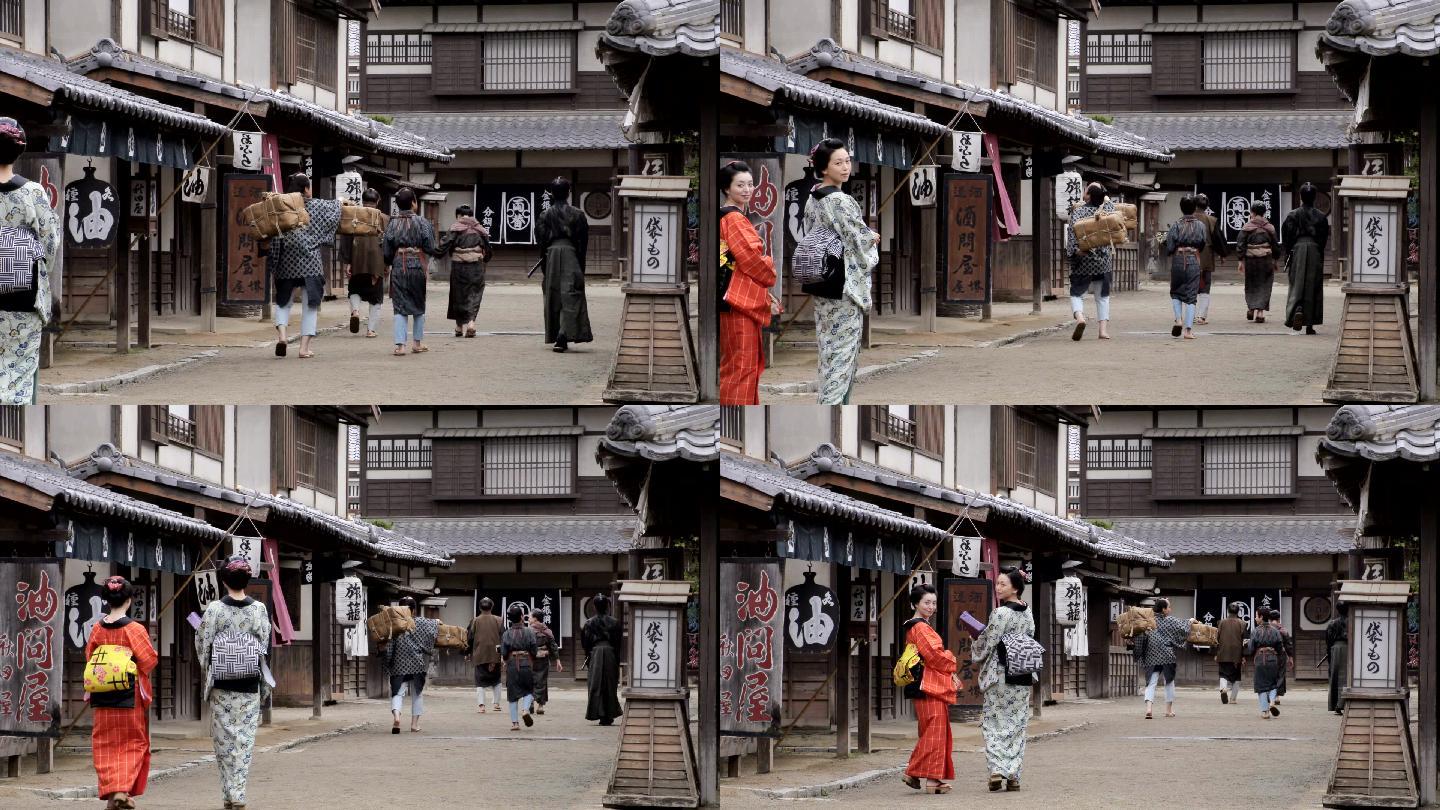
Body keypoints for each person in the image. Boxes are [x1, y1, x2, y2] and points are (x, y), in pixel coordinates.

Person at [806, 138, 879, 405]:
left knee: (828, 350)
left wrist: (864, 236)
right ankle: (833, 404)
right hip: (844, 287)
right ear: (824, 168)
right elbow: (858, 241)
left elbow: (816, 235)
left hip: (822, 282)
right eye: (838, 163)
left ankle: (830, 401)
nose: (846, 167)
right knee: (843, 355)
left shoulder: (813, 198)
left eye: (847, 161)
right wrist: (872, 238)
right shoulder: (841, 201)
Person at [196, 556, 272, 810]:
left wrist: (211, 668)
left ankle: (232, 793)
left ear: (224, 580)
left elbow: (203, 645)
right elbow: (264, 644)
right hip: (249, 682)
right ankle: (235, 794)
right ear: (247, 581)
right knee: (244, 742)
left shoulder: (215, 609)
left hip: (222, 684)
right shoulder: (258, 609)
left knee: (223, 741)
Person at [0, 118, 60, 404]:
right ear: (19, 151)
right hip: (22, 290)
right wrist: (37, 267)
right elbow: (50, 242)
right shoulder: (33, 192)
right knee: (19, 372)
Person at [85, 576, 157, 810]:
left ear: (106, 600)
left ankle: (114, 794)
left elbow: (90, 659)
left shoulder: (97, 629)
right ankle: (120, 790)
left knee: (104, 743)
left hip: (102, 695)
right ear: (128, 600)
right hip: (128, 694)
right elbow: (148, 661)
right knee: (132, 742)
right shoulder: (134, 629)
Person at [718, 161, 781, 405]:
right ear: (726, 188)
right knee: (741, 365)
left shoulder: (731, 217)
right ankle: (735, 406)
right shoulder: (733, 218)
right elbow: (751, 258)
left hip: (734, 293)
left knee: (743, 362)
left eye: (750, 184)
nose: (747, 190)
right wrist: (769, 269)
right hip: (737, 298)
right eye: (739, 185)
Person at [974, 567, 1035, 792]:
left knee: (994, 722)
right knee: (1017, 724)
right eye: (997, 583)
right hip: (1022, 672)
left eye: (1003, 584)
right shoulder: (1027, 612)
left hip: (1000, 673)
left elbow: (989, 642)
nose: (998, 587)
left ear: (1015, 588)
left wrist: (976, 645)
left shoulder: (1000, 613)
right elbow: (1030, 635)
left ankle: (997, 770)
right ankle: (1013, 775)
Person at [268, 173, 341, 359]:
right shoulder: (316, 205)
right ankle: (303, 348)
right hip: (311, 263)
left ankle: (283, 336)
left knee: (284, 303)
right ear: (306, 189)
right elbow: (335, 211)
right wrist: (340, 201)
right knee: (310, 306)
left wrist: (273, 265)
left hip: (287, 262)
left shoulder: (281, 206)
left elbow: (274, 236)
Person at [900, 584, 961, 795]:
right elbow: (934, 656)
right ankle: (915, 771)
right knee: (934, 731)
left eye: (934, 603)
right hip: (927, 685)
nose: (931, 607)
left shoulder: (919, 626)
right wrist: (952, 660)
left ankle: (930, 778)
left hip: (927, 684)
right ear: (915, 603)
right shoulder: (920, 627)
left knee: (935, 731)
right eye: (926, 602)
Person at [536, 176, 593, 353]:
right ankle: (563, 334)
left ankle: (559, 334)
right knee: (571, 293)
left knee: (554, 294)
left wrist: (545, 261)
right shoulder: (578, 214)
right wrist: (581, 264)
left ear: (552, 193)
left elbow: (541, 241)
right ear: (569, 192)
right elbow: (583, 243)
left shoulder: (545, 215)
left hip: (552, 254)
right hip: (571, 254)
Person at [382, 188, 441, 357]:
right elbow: (430, 246)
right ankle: (417, 343)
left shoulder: (392, 223)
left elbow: (386, 250)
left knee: (399, 306)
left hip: (399, 265)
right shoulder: (423, 222)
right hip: (417, 265)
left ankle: (400, 346)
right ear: (414, 202)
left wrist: (387, 263)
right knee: (418, 303)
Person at [1066, 183, 1118, 341]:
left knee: (1077, 293)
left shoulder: (1078, 211)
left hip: (1084, 259)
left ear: (1087, 195)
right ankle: (1102, 331)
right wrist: (1104, 195)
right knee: (1102, 297)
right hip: (1103, 261)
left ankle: (1080, 317)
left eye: (1085, 190)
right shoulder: (1106, 211)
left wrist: (1075, 250)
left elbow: (1072, 233)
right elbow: (1109, 203)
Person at [338, 188, 389, 339]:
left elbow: (346, 237)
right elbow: (388, 242)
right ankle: (371, 330)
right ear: (378, 201)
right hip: (376, 261)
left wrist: (348, 261)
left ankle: (355, 311)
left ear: (363, 200)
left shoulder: (354, 214)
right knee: (376, 296)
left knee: (354, 289)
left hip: (357, 259)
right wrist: (387, 263)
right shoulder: (384, 218)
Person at [384, 596, 439, 733]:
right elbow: (434, 627)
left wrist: (388, 663)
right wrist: (437, 621)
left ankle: (397, 717)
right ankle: (414, 725)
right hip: (417, 664)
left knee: (397, 693)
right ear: (414, 610)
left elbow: (389, 648)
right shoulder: (421, 622)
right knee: (417, 694)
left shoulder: (394, 624)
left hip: (398, 665)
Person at [1282, 182, 1330, 335]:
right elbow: (1323, 239)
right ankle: (1310, 324)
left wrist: (1288, 253)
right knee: (1314, 286)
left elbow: (1287, 237)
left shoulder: (1293, 215)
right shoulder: (1321, 217)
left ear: (1301, 197)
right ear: (1314, 197)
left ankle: (1297, 309)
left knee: (1297, 283)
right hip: (1315, 249)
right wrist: (1319, 253)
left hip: (1297, 249)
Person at [438, 204, 492, 338]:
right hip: (476, 267)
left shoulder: (455, 228)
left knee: (458, 295)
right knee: (475, 294)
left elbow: (444, 245)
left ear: (458, 216)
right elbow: (489, 250)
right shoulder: (480, 230)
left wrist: (435, 253)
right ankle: (471, 323)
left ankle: (458, 327)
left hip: (459, 266)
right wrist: (483, 259)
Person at [1165, 196, 1209, 340]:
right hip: (1193, 260)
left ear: (1181, 208)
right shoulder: (1201, 226)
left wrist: (1171, 249)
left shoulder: (1176, 224)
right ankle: (1188, 331)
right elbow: (1202, 244)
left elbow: (1170, 246)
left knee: (1176, 291)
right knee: (1191, 295)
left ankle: (1178, 320)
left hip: (1178, 259)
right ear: (1194, 207)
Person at [1141, 597, 1190, 719]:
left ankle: (1149, 709)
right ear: (1163, 609)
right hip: (1167, 655)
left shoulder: (1148, 620)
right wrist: (1190, 621)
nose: (1170, 609)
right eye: (1169, 607)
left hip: (1151, 654)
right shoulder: (1170, 621)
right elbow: (1184, 629)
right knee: (1169, 681)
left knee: (1151, 682)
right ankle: (1168, 710)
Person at [581, 593, 623, 725]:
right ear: (607, 606)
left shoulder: (588, 623)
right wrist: (616, 657)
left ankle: (599, 713)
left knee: (595, 684)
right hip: (610, 653)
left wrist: (589, 654)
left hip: (595, 653)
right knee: (610, 684)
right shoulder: (615, 623)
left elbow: (585, 643)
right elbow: (618, 643)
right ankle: (609, 715)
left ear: (594, 606)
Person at [1238, 201, 1280, 323]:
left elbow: (1241, 244)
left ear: (1252, 213)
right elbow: (1275, 246)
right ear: (1264, 213)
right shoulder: (1270, 227)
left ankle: (1251, 308)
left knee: (1251, 284)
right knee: (1265, 285)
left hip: (1251, 260)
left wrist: (1240, 260)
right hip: (1266, 260)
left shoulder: (1247, 227)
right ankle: (1260, 313)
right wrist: (1275, 260)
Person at [1191, 193, 1229, 325]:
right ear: (1207, 206)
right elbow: (1218, 240)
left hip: (1188, 257)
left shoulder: (1185, 219)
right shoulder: (1211, 220)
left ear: (1194, 205)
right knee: (1205, 286)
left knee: (1190, 286)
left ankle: (1190, 315)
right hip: (1205, 256)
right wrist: (1222, 254)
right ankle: (1201, 316)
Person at [501, 603, 539, 731]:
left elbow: (504, 652)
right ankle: (525, 710)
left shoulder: (506, 634)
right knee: (528, 690)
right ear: (522, 617)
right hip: (526, 663)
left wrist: (506, 659)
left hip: (512, 664)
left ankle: (515, 723)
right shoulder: (530, 632)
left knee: (512, 694)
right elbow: (534, 650)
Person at [469, 597, 505, 713]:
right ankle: (496, 704)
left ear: (480, 607)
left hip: (480, 654)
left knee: (480, 681)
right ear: (492, 607)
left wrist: (467, 652)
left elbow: (470, 638)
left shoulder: (475, 621)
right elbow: (503, 638)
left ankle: (481, 706)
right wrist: (503, 654)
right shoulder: (499, 620)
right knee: (497, 680)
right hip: (495, 654)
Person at [1248, 610, 1286, 719]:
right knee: (1273, 683)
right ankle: (1272, 701)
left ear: (1261, 617)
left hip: (1260, 659)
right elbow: (1280, 647)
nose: (1255, 618)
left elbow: (1251, 649)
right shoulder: (1275, 631)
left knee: (1261, 685)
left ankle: (1265, 711)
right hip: (1273, 658)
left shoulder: (1256, 631)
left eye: (1256, 616)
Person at [1215, 601, 1249, 705]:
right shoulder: (1243, 624)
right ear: (1238, 612)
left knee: (1223, 674)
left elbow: (1216, 639)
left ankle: (1224, 689)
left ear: (1228, 611)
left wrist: (1216, 653)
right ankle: (1233, 699)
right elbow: (1245, 642)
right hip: (1237, 655)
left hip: (1223, 653)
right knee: (1236, 677)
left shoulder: (1221, 623)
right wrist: (1244, 656)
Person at [529, 612, 562, 715]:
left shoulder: (528, 631)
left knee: (530, 680)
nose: (528, 619)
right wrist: (557, 660)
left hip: (530, 659)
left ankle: (530, 702)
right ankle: (540, 706)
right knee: (542, 681)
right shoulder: (547, 631)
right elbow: (553, 646)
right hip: (543, 659)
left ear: (535, 618)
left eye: (530, 617)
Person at [1327, 601, 1349, 715]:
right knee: (1346, 677)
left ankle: (1336, 704)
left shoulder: (1332, 623)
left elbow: (1328, 640)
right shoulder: (1352, 622)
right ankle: (1344, 703)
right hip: (1349, 649)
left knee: (1335, 676)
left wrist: (1330, 655)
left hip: (1335, 649)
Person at [1270, 609, 1293, 705]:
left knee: (1271, 675)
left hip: (1269, 654)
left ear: (1270, 619)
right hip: (1281, 655)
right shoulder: (1283, 629)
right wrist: (1291, 657)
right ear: (1279, 619)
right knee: (1280, 674)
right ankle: (1277, 697)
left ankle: (1271, 695)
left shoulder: (1267, 628)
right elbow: (1288, 644)